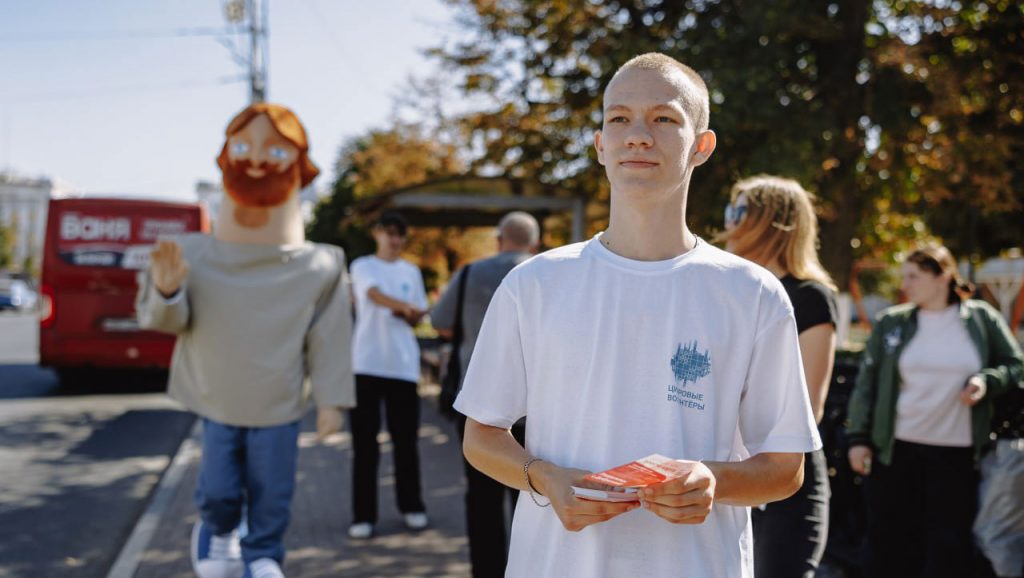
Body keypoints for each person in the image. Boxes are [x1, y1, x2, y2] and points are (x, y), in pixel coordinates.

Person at [453, 52, 821, 578]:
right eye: (619, 118)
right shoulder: (533, 284)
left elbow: (785, 469)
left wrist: (710, 480)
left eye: (664, 118)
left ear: (702, 145)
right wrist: (546, 478)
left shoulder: (752, 294)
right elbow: (481, 436)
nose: (638, 135)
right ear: (601, 144)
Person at [136, 103, 355, 578]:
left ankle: (263, 556)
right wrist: (168, 290)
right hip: (217, 398)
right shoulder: (193, 254)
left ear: (300, 167)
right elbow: (167, 321)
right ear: (224, 157)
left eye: (275, 149)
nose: (256, 161)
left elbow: (330, 336)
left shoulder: (320, 265)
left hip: (277, 401)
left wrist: (331, 399)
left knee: (272, 490)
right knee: (218, 489)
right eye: (242, 146)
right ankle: (216, 530)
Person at [846, 244, 1023, 578]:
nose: (905, 284)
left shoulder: (980, 318)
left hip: (957, 454)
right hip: (895, 450)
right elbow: (867, 384)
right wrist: (858, 437)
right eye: (904, 276)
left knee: (948, 547)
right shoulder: (892, 323)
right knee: (890, 544)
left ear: (943, 277)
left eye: (914, 276)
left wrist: (986, 381)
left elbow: (1015, 364)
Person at [720, 175, 837, 577]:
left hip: (786, 478)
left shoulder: (809, 297)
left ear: (769, 220)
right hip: (726, 470)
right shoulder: (731, 291)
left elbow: (810, 409)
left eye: (738, 211)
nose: (728, 223)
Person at [431, 211, 540, 577]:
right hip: (539, 407)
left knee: (482, 497)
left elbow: (440, 323)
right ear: (535, 242)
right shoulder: (549, 273)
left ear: (498, 239)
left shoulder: (468, 274)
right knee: (535, 495)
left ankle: (487, 570)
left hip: (480, 403)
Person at [347, 211, 430, 539]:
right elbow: (373, 295)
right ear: (378, 233)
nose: (394, 240)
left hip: (403, 366)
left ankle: (412, 506)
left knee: (406, 443)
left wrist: (409, 313)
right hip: (366, 365)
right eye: (389, 233)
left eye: (400, 234)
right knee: (365, 446)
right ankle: (363, 515)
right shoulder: (363, 265)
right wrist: (406, 307)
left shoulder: (411, 271)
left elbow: (416, 315)